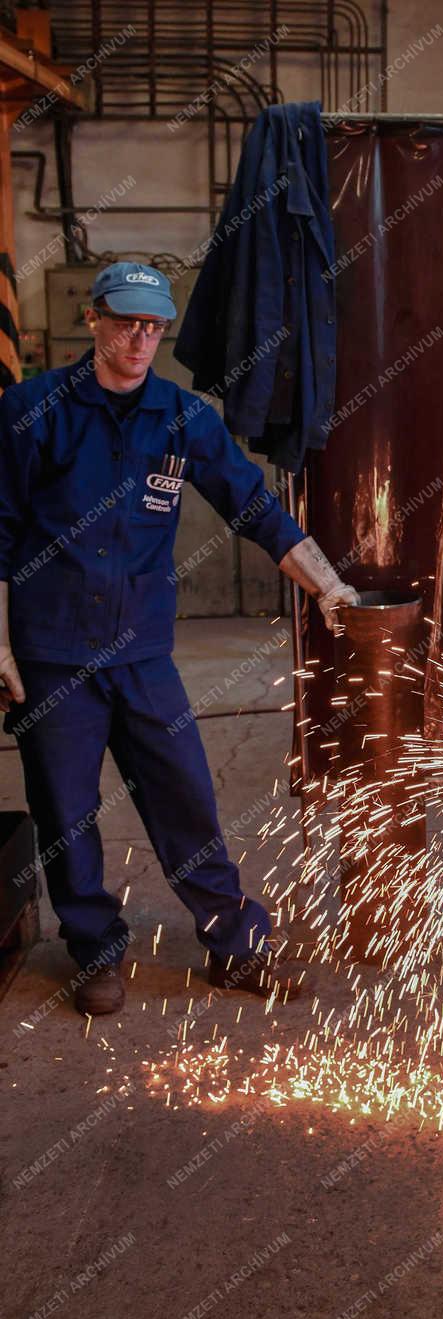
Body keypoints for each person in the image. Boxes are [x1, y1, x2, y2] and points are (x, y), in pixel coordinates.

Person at [0, 262, 357, 1017]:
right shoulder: (33, 411)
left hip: (141, 654)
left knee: (186, 793)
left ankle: (233, 943)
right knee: (66, 813)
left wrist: (327, 583)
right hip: (52, 651)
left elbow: (256, 509)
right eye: (126, 322)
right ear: (93, 319)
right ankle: (94, 950)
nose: (140, 338)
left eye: (154, 326)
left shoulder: (183, 419)